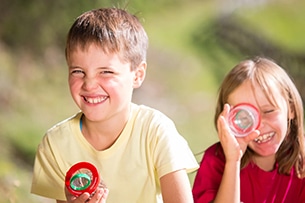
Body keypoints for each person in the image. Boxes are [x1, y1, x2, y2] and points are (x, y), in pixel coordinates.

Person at [31, 7, 198, 203]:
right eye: (78, 71)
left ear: (138, 75)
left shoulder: (155, 131)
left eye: (106, 72)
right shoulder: (56, 144)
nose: (89, 84)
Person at [192, 57, 305, 203]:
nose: (258, 126)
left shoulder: (301, 164)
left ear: (290, 108)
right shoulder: (216, 161)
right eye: (245, 116)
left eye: (269, 111)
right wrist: (233, 161)